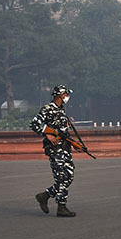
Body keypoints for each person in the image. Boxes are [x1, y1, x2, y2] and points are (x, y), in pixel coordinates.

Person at [29, 85, 77, 217]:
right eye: (66, 94)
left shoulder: (62, 110)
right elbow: (34, 124)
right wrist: (47, 135)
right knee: (61, 176)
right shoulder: (47, 109)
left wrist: (74, 143)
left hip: (65, 147)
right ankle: (61, 206)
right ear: (61, 95)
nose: (67, 97)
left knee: (69, 175)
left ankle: (45, 195)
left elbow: (63, 131)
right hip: (55, 149)